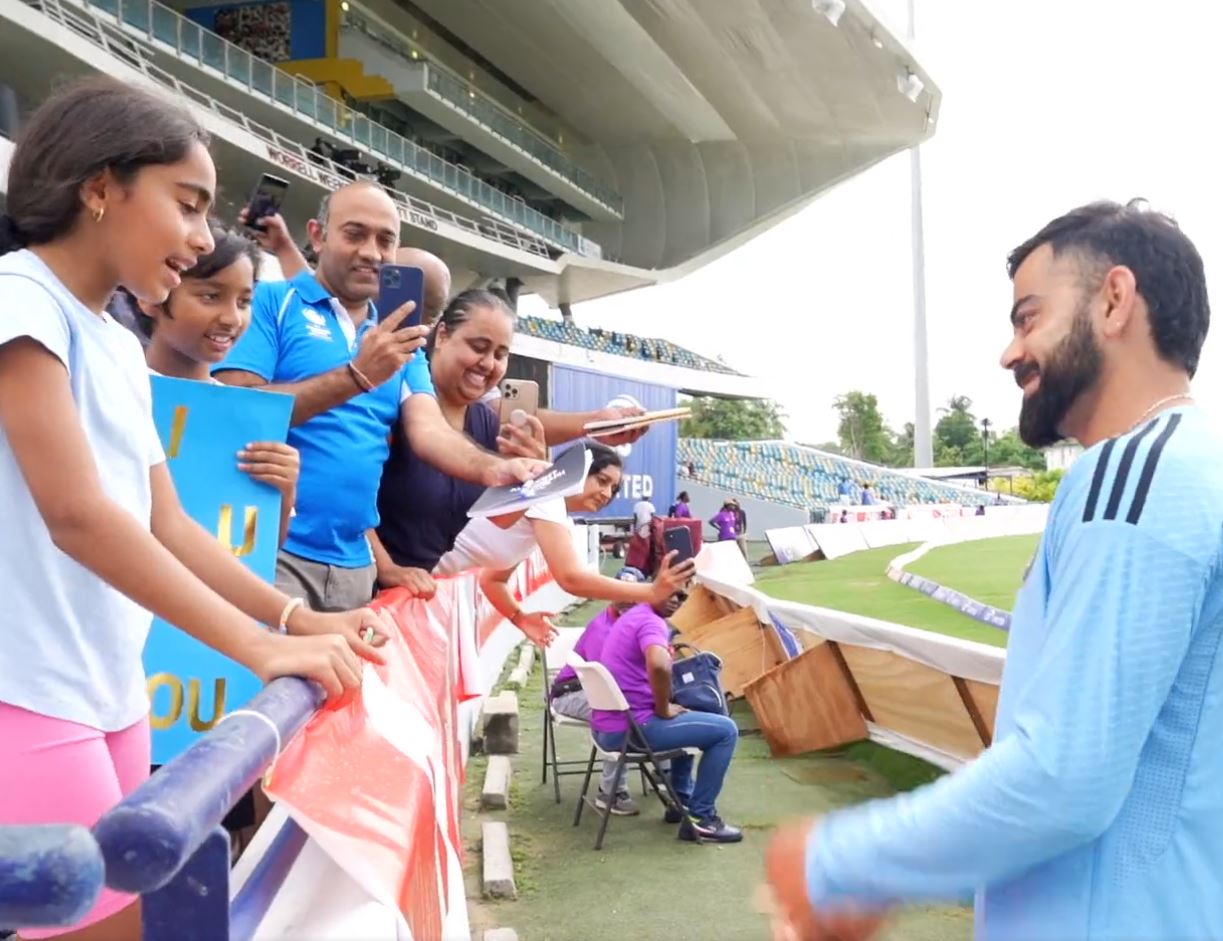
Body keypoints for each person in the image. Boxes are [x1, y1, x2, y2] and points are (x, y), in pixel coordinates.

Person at [766, 200, 1223, 941]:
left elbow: (1063, 778)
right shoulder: (1186, 467)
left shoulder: (1141, 473)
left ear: (1113, 300)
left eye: (1026, 317)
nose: (1009, 353)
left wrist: (838, 861)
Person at [0, 76, 385, 941]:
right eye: (188, 205)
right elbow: (80, 515)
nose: (203, 239)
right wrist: (260, 645)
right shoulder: (19, 300)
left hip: (111, 686)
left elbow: (166, 522)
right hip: (24, 691)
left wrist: (294, 616)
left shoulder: (110, 336)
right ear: (100, 187)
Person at [213, 181, 546, 612]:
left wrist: (494, 470)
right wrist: (356, 376)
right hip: (270, 551)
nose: (371, 252)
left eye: (385, 240)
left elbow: (430, 431)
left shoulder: (399, 335)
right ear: (317, 235)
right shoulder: (270, 302)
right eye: (355, 234)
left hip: (356, 566)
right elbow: (233, 409)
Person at [247, 216, 653, 449]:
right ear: (442, 334)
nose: (488, 363)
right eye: (478, 346)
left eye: (500, 352)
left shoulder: (433, 380)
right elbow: (311, 296)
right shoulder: (361, 351)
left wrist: (593, 425)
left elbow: (506, 422)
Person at [436, 444, 694, 646]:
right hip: (409, 566)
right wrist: (650, 592)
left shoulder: (549, 512)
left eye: (613, 489)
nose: (606, 494)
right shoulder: (547, 495)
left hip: (418, 574)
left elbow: (492, 580)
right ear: (577, 471)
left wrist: (519, 618)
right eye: (602, 481)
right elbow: (571, 578)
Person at [138, 223, 299, 545]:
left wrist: (283, 491)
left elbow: (257, 546)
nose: (232, 318)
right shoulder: (114, 385)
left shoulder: (245, 417)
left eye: (244, 302)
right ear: (152, 297)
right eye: (211, 296)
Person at [592, 589, 742, 844]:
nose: (676, 600)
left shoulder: (632, 615)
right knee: (726, 731)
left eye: (683, 597)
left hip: (608, 727)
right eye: (671, 592)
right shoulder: (651, 621)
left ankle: (680, 801)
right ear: (656, 584)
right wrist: (663, 708)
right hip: (632, 731)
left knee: (689, 718)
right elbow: (659, 665)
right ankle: (701, 818)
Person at [548, 566, 648, 816]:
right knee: (619, 712)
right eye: (622, 595)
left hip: (599, 690)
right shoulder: (604, 629)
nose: (628, 602)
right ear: (611, 595)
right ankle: (611, 792)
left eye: (633, 596)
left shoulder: (638, 622)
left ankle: (664, 773)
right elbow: (608, 682)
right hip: (570, 695)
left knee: (654, 704)